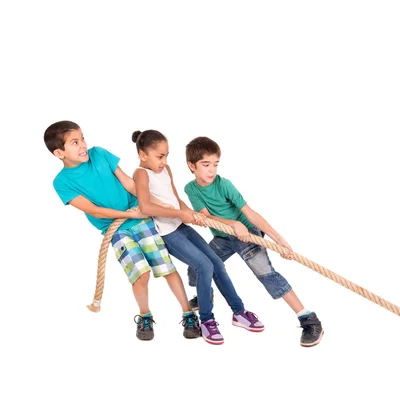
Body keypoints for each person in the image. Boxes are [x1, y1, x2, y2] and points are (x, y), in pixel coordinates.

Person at [45, 121, 200, 341]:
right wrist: (129, 215)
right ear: (59, 153)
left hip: (142, 219)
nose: (83, 145)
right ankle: (145, 315)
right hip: (117, 229)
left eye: (82, 138)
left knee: (166, 267)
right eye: (75, 142)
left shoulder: (99, 154)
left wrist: (155, 203)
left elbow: (129, 183)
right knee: (140, 274)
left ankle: (188, 313)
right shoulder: (61, 182)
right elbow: (94, 211)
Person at [183, 136, 324, 347]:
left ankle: (308, 319)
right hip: (223, 236)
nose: (212, 170)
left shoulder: (224, 185)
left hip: (246, 234)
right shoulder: (190, 189)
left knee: (267, 275)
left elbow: (250, 214)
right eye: (206, 165)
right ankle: (206, 294)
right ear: (191, 166)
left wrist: (280, 240)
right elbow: (205, 216)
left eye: (215, 164)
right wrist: (231, 224)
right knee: (197, 266)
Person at [131, 129, 264, 345]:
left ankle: (239, 312)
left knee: (217, 264)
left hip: (181, 225)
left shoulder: (167, 170)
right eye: (159, 156)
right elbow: (145, 206)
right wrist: (179, 213)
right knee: (204, 266)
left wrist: (188, 213)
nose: (164, 161)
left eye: (166, 155)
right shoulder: (141, 173)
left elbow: (175, 197)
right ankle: (207, 320)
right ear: (142, 154)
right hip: (167, 232)